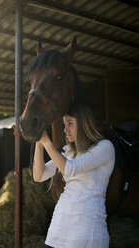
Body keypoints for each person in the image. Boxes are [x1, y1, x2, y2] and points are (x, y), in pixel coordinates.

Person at [33, 104, 115, 248]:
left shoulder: (104, 147)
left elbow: (70, 169)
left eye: (70, 123)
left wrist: (47, 141)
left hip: (86, 232)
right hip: (58, 228)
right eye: (64, 124)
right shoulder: (69, 151)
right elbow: (39, 175)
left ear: (84, 124)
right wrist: (39, 144)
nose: (65, 130)